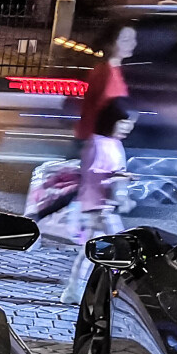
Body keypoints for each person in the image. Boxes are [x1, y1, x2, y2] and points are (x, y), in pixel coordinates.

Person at [61, 99, 137, 305]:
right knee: (120, 246)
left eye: (130, 126)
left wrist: (120, 179)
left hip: (105, 206)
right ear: (112, 121)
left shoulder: (115, 144)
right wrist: (119, 177)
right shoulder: (97, 143)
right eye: (123, 125)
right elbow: (93, 175)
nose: (127, 130)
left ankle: (74, 290)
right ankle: (117, 290)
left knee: (93, 249)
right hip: (98, 207)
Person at [76, 23, 136, 143]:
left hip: (107, 140)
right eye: (125, 40)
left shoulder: (120, 71)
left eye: (133, 39)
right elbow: (101, 109)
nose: (132, 44)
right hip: (97, 141)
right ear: (110, 44)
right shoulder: (104, 72)